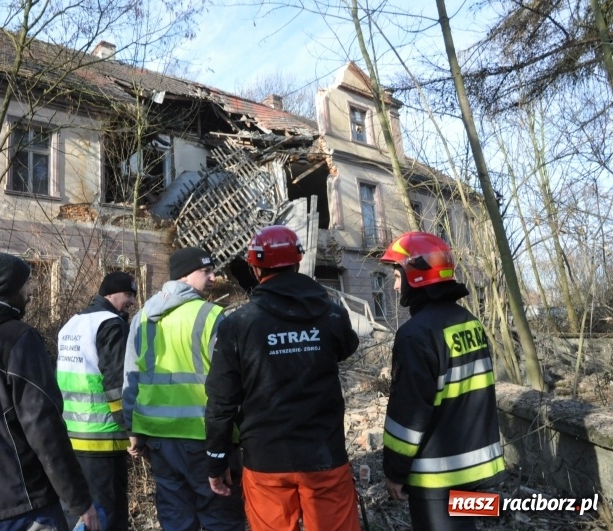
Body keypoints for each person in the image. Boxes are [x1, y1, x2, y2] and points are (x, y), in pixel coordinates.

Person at [205, 225, 361, 531]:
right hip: (324, 455)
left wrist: (216, 460)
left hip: (266, 462)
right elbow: (346, 347)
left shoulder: (238, 325)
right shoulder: (331, 315)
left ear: (254, 266)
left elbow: (221, 402)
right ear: (299, 260)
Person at [0, 252, 99, 531]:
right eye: (27, 284)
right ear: (13, 288)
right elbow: (44, 427)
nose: (31, 292)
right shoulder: (19, 339)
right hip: (20, 504)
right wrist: (80, 500)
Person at [379, 232, 505, 531]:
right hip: (477, 468)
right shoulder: (470, 323)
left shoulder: (415, 335)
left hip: (437, 476)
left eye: (397, 275)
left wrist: (394, 472)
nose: (395, 285)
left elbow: (408, 415)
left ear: (416, 275)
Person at [122, 247, 245, 531]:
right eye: (206, 271)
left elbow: (130, 376)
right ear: (185, 276)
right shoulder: (212, 316)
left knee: (176, 519)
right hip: (204, 437)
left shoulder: (141, 317)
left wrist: (132, 430)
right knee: (220, 517)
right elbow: (229, 383)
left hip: (158, 438)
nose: (214, 277)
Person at [57, 271, 137, 531]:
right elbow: (116, 385)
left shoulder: (71, 324)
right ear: (110, 293)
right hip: (103, 438)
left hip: (72, 435)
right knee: (108, 515)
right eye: (129, 295)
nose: (132, 302)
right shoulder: (111, 324)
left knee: (81, 513)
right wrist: (129, 429)